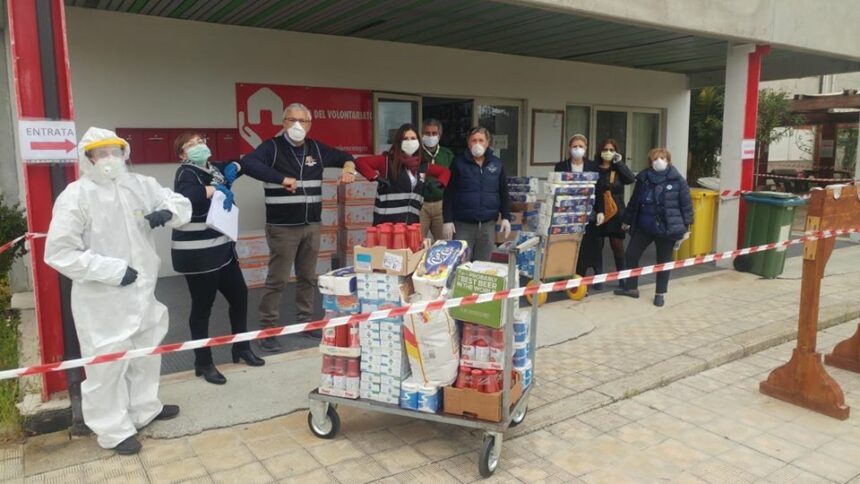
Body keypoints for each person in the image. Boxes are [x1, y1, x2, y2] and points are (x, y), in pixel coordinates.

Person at [44, 127, 192, 455]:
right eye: (101, 153)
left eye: (115, 151)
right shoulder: (76, 195)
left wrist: (169, 212)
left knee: (146, 353)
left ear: (125, 154)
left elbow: (179, 203)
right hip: (102, 299)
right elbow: (59, 252)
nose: (109, 159)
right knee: (106, 365)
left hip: (143, 291)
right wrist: (112, 271)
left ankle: (144, 409)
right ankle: (112, 430)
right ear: (88, 158)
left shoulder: (140, 185)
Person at [240, 103, 356, 352]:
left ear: (309, 124)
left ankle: (305, 321)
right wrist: (280, 178)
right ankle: (268, 330)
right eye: (291, 120)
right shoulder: (272, 148)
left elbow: (345, 157)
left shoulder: (316, 148)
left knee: (307, 277)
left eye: (302, 121)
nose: (297, 125)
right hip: (283, 227)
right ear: (283, 122)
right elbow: (248, 163)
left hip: (311, 225)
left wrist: (349, 169)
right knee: (277, 280)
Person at [171, 132, 264, 385]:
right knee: (203, 307)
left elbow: (244, 162)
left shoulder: (213, 168)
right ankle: (203, 362)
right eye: (191, 145)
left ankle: (241, 347)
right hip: (199, 254)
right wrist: (213, 189)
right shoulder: (186, 173)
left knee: (239, 296)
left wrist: (235, 166)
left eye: (201, 142)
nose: (199, 146)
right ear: (182, 154)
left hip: (223, 251)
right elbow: (189, 196)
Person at [614, 148, 692, 307]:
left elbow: (686, 206)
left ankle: (660, 293)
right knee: (631, 255)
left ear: (668, 161)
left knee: (663, 261)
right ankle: (631, 288)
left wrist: (686, 226)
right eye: (655, 159)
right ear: (650, 162)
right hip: (645, 226)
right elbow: (634, 202)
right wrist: (627, 220)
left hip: (666, 228)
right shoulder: (644, 179)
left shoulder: (678, 181)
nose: (659, 161)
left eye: (662, 158)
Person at [355, 123, 451, 225]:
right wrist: (375, 177)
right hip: (386, 225)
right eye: (405, 139)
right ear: (399, 141)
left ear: (418, 141)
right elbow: (359, 162)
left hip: (410, 224)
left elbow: (445, 171)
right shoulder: (386, 161)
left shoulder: (422, 165)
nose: (410, 142)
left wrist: (439, 183)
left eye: (413, 138)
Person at [442, 127, 511, 262]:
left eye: (481, 140)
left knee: (483, 265)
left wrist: (506, 217)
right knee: (461, 264)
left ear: (488, 142)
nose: (477, 144)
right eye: (474, 140)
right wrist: (447, 220)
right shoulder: (458, 163)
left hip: (487, 226)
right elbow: (449, 193)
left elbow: (504, 191)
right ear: (468, 142)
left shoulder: (497, 164)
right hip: (463, 225)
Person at [553, 134, 603, 287]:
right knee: (567, 245)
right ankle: (564, 278)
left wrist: (600, 211)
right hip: (567, 213)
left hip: (587, 212)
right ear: (569, 148)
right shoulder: (561, 166)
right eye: (575, 146)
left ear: (586, 148)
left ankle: (582, 280)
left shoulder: (592, 166)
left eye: (581, 146)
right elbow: (556, 187)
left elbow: (599, 189)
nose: (578, 149)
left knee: (586, 247)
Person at [593, 138, 636, 285]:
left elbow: (630, 179)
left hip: (616, 211)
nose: (608, 152)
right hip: (598, 210)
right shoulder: (594, 168)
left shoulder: (618, 168)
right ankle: (598, 279)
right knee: (597, 246)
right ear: (600, 151)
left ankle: (623, 278)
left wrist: (620, 163)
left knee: (617, 246)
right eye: (605, 149)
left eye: (611, 150)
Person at [418, 119, 454, 239]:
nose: (431, 136)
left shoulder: (447, 155)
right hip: (420, 205)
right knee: (417, 242)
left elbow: (453, 180)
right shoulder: (416, 154)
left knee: (444, 243)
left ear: (439, 135)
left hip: (441, 205)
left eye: (434, 133)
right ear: (422, 134)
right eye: (427, 133)